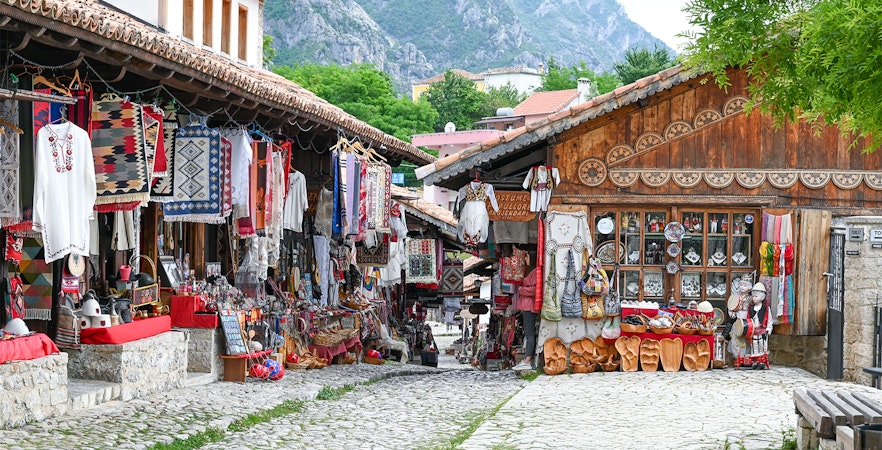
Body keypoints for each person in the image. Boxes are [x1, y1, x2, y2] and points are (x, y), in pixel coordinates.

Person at [512, 266, 539, 370]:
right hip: (528, 306)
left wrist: (521, 290)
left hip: (530, 306)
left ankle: (527, 360)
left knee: (529, 334)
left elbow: (535, 290)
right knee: (529, 334)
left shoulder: (535, 271)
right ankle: (527, 359)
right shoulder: (533, 271)